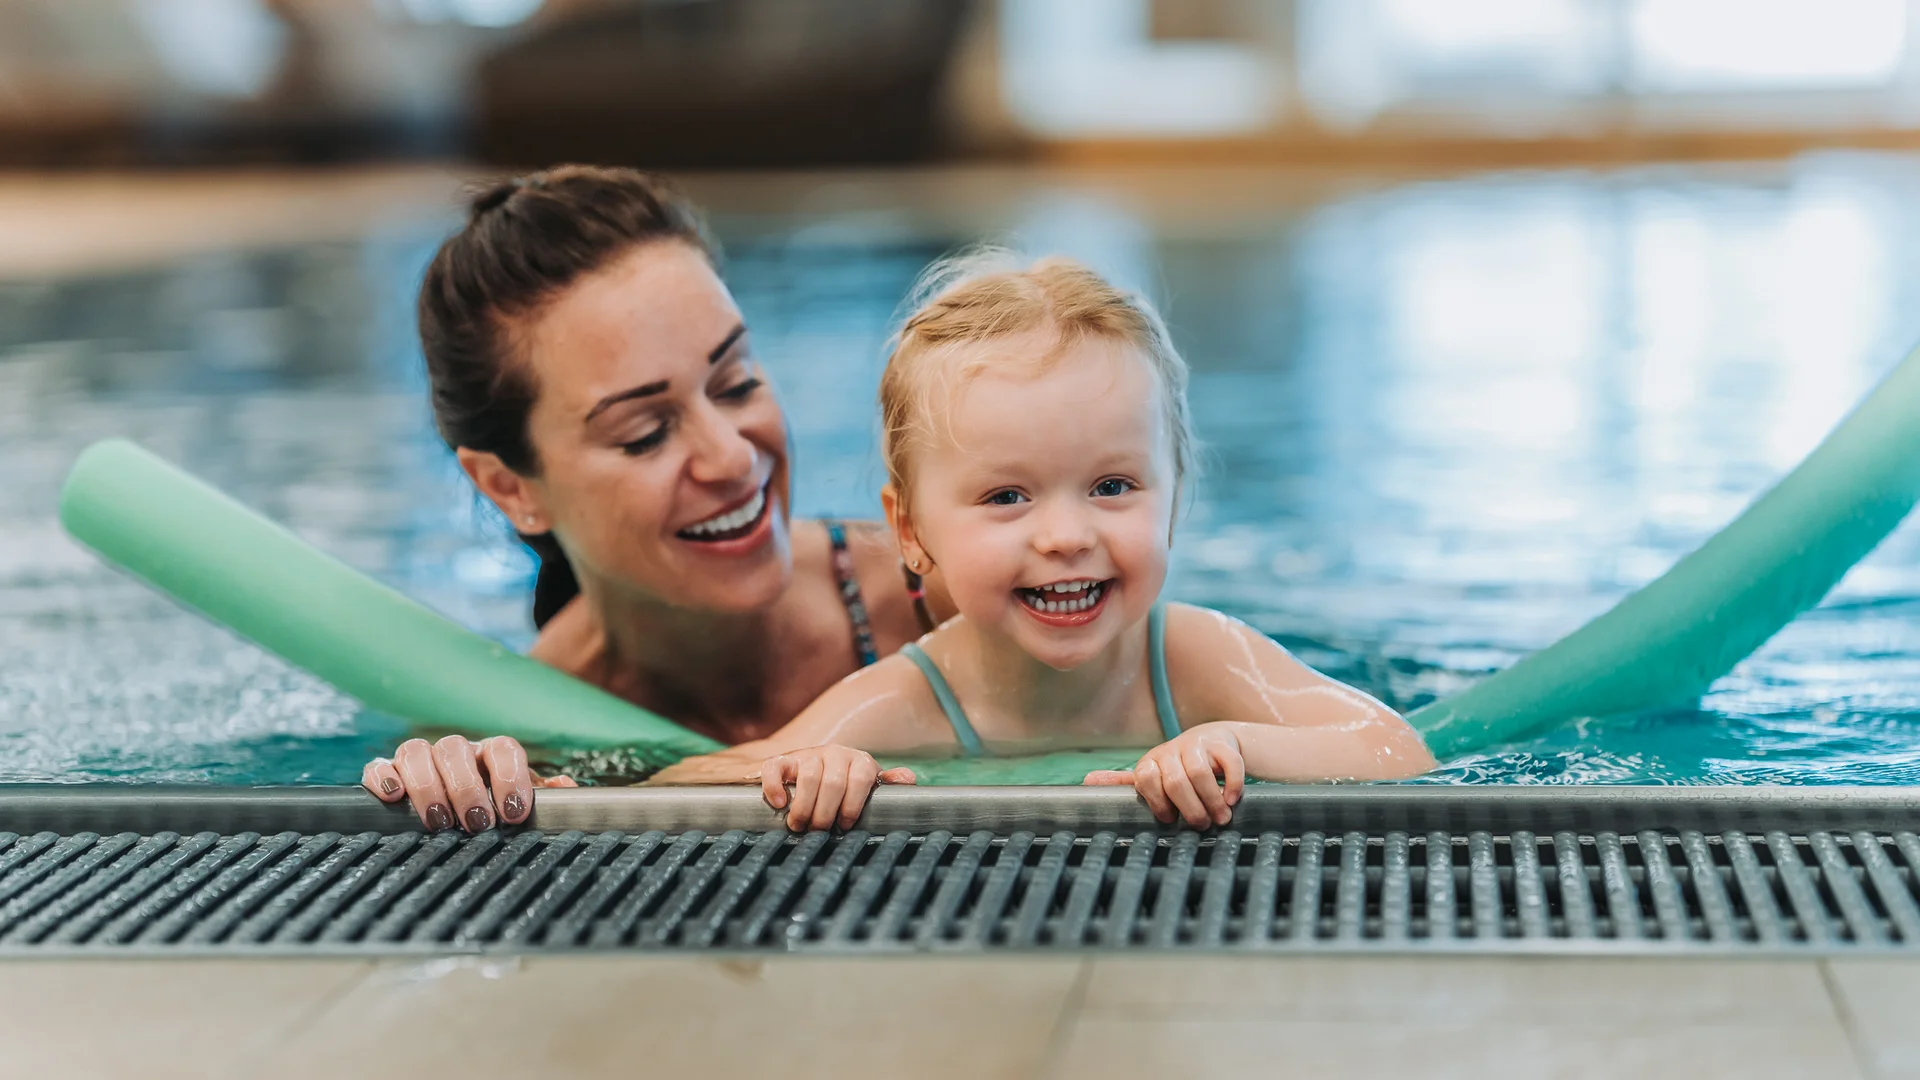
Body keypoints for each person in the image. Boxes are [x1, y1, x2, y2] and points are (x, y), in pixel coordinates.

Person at [654, 253, 1437, 829]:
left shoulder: (1199, 658)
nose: (1066, 536)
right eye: (1007, 497)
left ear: (1173, 501)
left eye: (1112, 487)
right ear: (911, 532)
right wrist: (809, 769)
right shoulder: (905, 699)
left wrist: (1231, 740)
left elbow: (1398, 752)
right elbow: (680, 787)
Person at [360, 165, 945, 833]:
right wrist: (449, 782)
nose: (731, 456)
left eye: (736, 383)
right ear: (510, 487)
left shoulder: (941, 599)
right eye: (644, 434)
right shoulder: (519, 733)